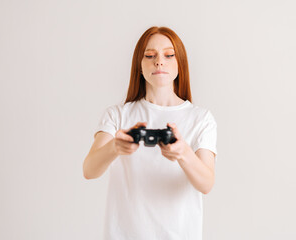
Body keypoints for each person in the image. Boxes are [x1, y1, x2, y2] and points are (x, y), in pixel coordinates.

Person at [83, 26, 218, 240]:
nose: (159, 61)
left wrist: (183, 153)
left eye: (168, 55)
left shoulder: (201, 119)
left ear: (179, 64)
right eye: (150, 55)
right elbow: (89, 170)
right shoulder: (117, 115)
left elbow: (206, 183)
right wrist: (115, 147)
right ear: (140, 64)